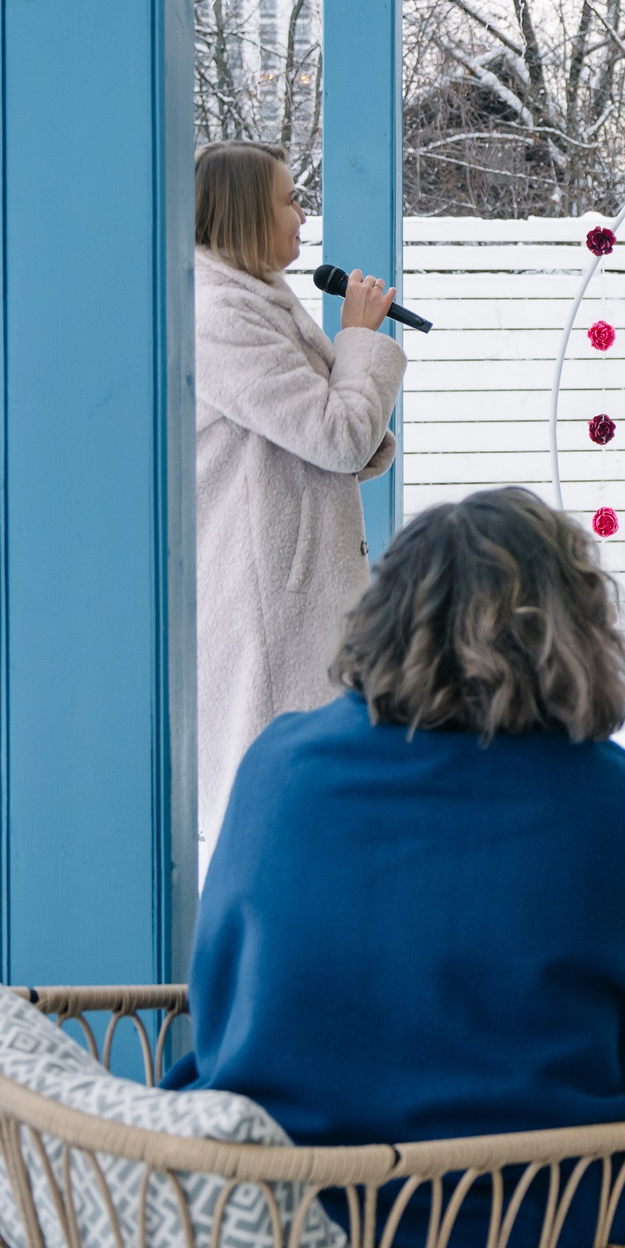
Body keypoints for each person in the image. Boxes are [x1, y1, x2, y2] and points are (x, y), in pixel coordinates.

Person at [166, 487, 625, 1248]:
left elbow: (214, 1009)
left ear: (380, 615)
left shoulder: (277, 765)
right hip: (540, 1237)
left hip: (284, 1222)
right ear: (574, 628)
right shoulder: (617, 799)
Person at [192, 140, 404, 865]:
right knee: (273, 807)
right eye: (287, 198)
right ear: (248, 209)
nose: (301, 212)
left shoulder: (261, 297)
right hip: (266, 599)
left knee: (309, 800)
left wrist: (354, 382)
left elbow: (334, 436)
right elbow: (340, 437)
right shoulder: (222, 313)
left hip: (294, 586)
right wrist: (360, 340)